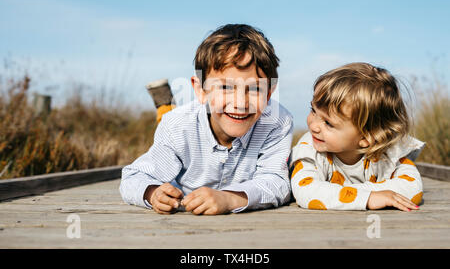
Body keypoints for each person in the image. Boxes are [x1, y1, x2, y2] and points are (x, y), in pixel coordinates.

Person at [120, 24, 294, 215]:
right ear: (201, 91)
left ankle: (165, 104)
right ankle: (165, 106)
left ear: (269, 94)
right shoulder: (178, 126)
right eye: (226, 88)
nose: (240, 103)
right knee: (170, 120)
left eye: (254, 89)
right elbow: (134, 176)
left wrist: (230, 199)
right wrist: (153, 194)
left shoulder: (277, 122)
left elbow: (276, 181)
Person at [290, 62, 425, 211]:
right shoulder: (310, 147)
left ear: (367, 137)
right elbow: (305, 190)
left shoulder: (387, 153)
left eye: (328, 123)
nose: (313, 125)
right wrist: (368, 197)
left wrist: (343, 193)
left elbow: (413, 188)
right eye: (313, 110)